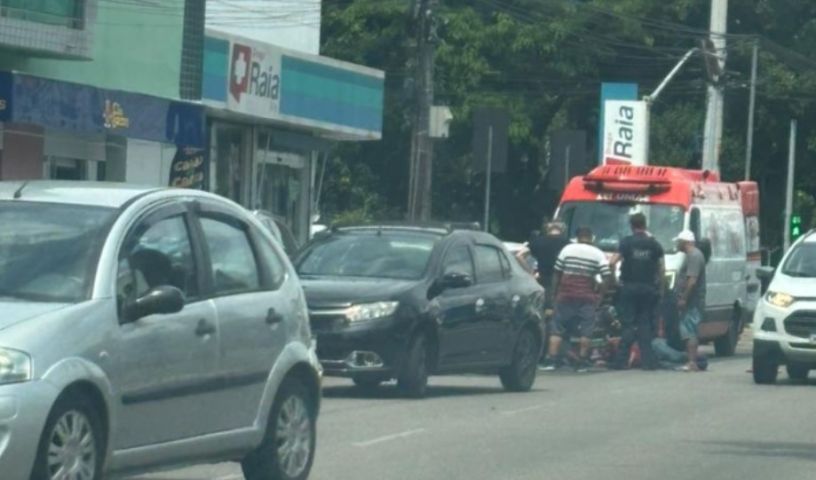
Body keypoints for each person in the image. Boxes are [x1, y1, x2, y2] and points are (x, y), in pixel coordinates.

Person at [541, 227, 612, 372]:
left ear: (577, 237)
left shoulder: (567, 249)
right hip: (587, 297)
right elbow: (606, 276)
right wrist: (600, 295)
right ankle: (582, 361)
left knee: (557, 328)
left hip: (565, 294)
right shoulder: (598, 253)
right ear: (591, 237)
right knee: (586, 330)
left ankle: (551, 360)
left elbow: (557, 273)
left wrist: (554, 294)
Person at [610, 213, 665, 370]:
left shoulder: (626, 243)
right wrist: (660, 289)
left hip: (629, 287)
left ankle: (621, 361)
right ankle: (648, 362)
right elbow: (661, 269)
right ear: (645, 224)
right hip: (648, 289)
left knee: (627, 324)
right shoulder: (654, 244)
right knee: (644, 324)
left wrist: (615, 282)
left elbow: (612, 262)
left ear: (631, 225)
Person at [674, 229, 707, 372]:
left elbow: (692, 281)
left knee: (689, 331)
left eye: (678, 241)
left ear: (685, 242)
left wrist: (683, 298)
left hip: (692, 302)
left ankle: (692, 362)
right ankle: (691, 361)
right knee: (688, 330)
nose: (677, 244)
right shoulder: (692, 255)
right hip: (692, 301)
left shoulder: (694, 256)